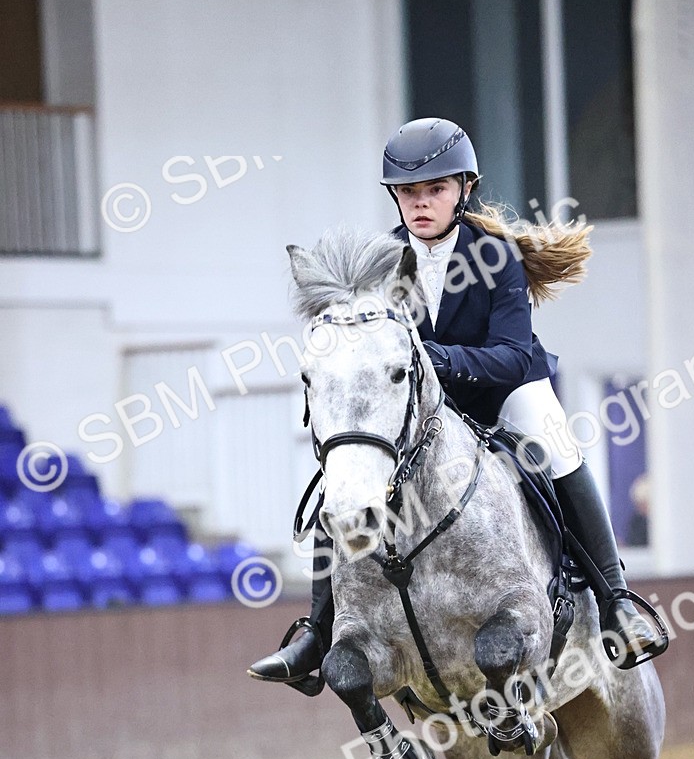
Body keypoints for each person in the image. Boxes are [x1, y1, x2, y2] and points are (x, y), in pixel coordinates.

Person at [248, 117, 662, 690]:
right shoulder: (381, 261)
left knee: (554, 443)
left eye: (434, 190)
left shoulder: (496, 253)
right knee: (342, 479)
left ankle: (617, 599)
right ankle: (316, 633)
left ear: (463, 189)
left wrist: (437, 360)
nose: (421, 204)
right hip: (421, 406)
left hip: (502, 390)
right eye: (409, 193)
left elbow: (513, 355)